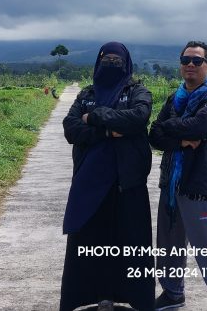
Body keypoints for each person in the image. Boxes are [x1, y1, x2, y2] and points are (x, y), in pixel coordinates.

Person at [60, 42, 155, 311]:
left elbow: (138, 118)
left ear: (126, 64)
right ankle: (89, 297)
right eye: (107, 59)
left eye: (117, 59)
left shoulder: (137, 91)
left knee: (131, 244)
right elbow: (71, 129)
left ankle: (137, 300)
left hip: (128, 183)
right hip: (88, 185)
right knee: (90, 243)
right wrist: (106, 132)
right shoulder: (86, 94)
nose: (111, 63)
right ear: (98, 62)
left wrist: (96, 116)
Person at [149, 41, 207, 311]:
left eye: (197, 61)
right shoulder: (175, 98)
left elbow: (199, 126)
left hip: (201, 186)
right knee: (168, 246)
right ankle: (172, 294)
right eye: (185, 59)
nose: (190, 64)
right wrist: (180, 140)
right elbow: (154, 135)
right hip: (172, 184)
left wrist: (169, 128)